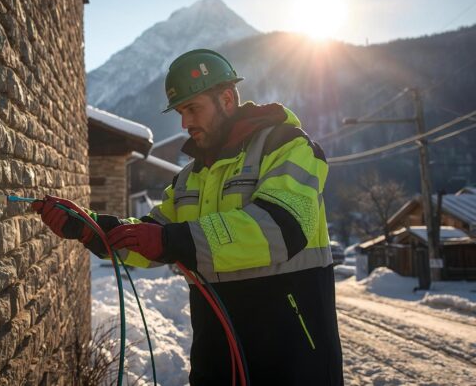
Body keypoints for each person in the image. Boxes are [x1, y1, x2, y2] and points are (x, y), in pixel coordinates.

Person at [32, 49, 343, 385]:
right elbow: (151, 237)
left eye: (193, 108)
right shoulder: (191, 177)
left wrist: (171, 241)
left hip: (291, 353)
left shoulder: (287, 147)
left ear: (226, 99)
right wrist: (89, 228)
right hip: (216, 353)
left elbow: (281, 228)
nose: (185, 123)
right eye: (181, 111)